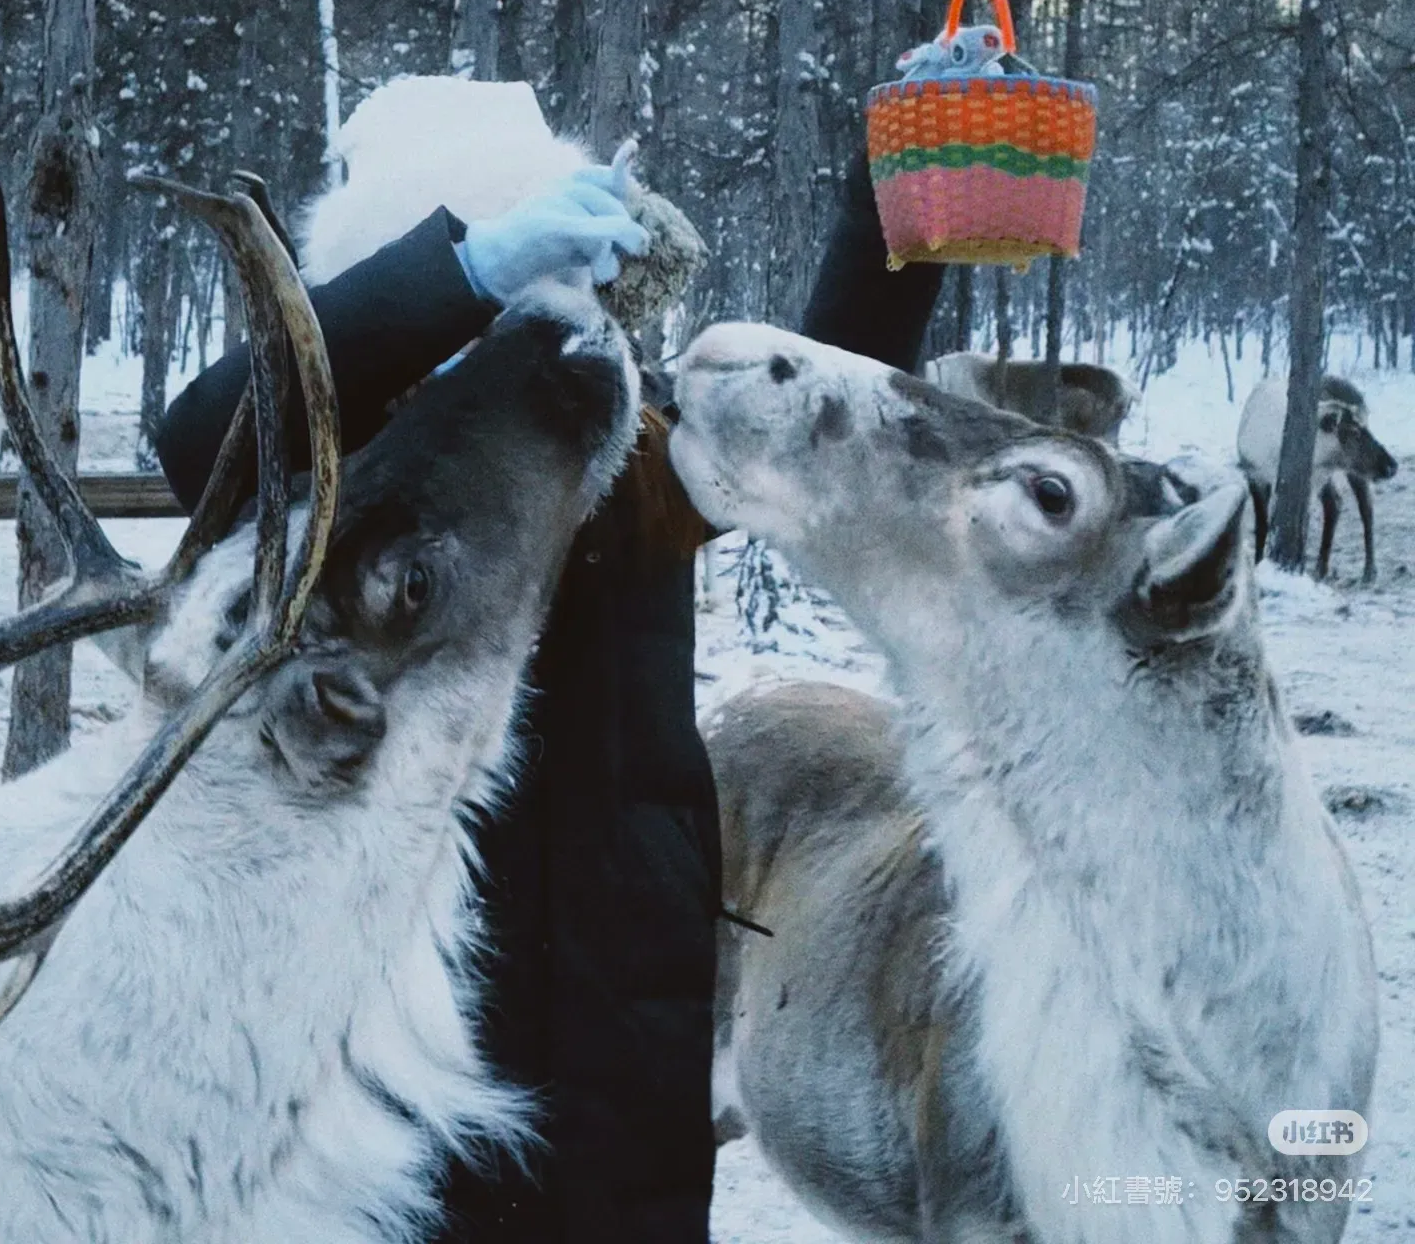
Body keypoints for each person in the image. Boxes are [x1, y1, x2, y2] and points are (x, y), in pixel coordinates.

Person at [156, 93, 944, 1244]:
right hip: (396, 1012)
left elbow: (814, 395)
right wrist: (460, 274)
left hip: (617, 1018)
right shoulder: (343, 477)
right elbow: (198, 443)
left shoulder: (628, 450)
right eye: (489, 285)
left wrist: (898, 180)